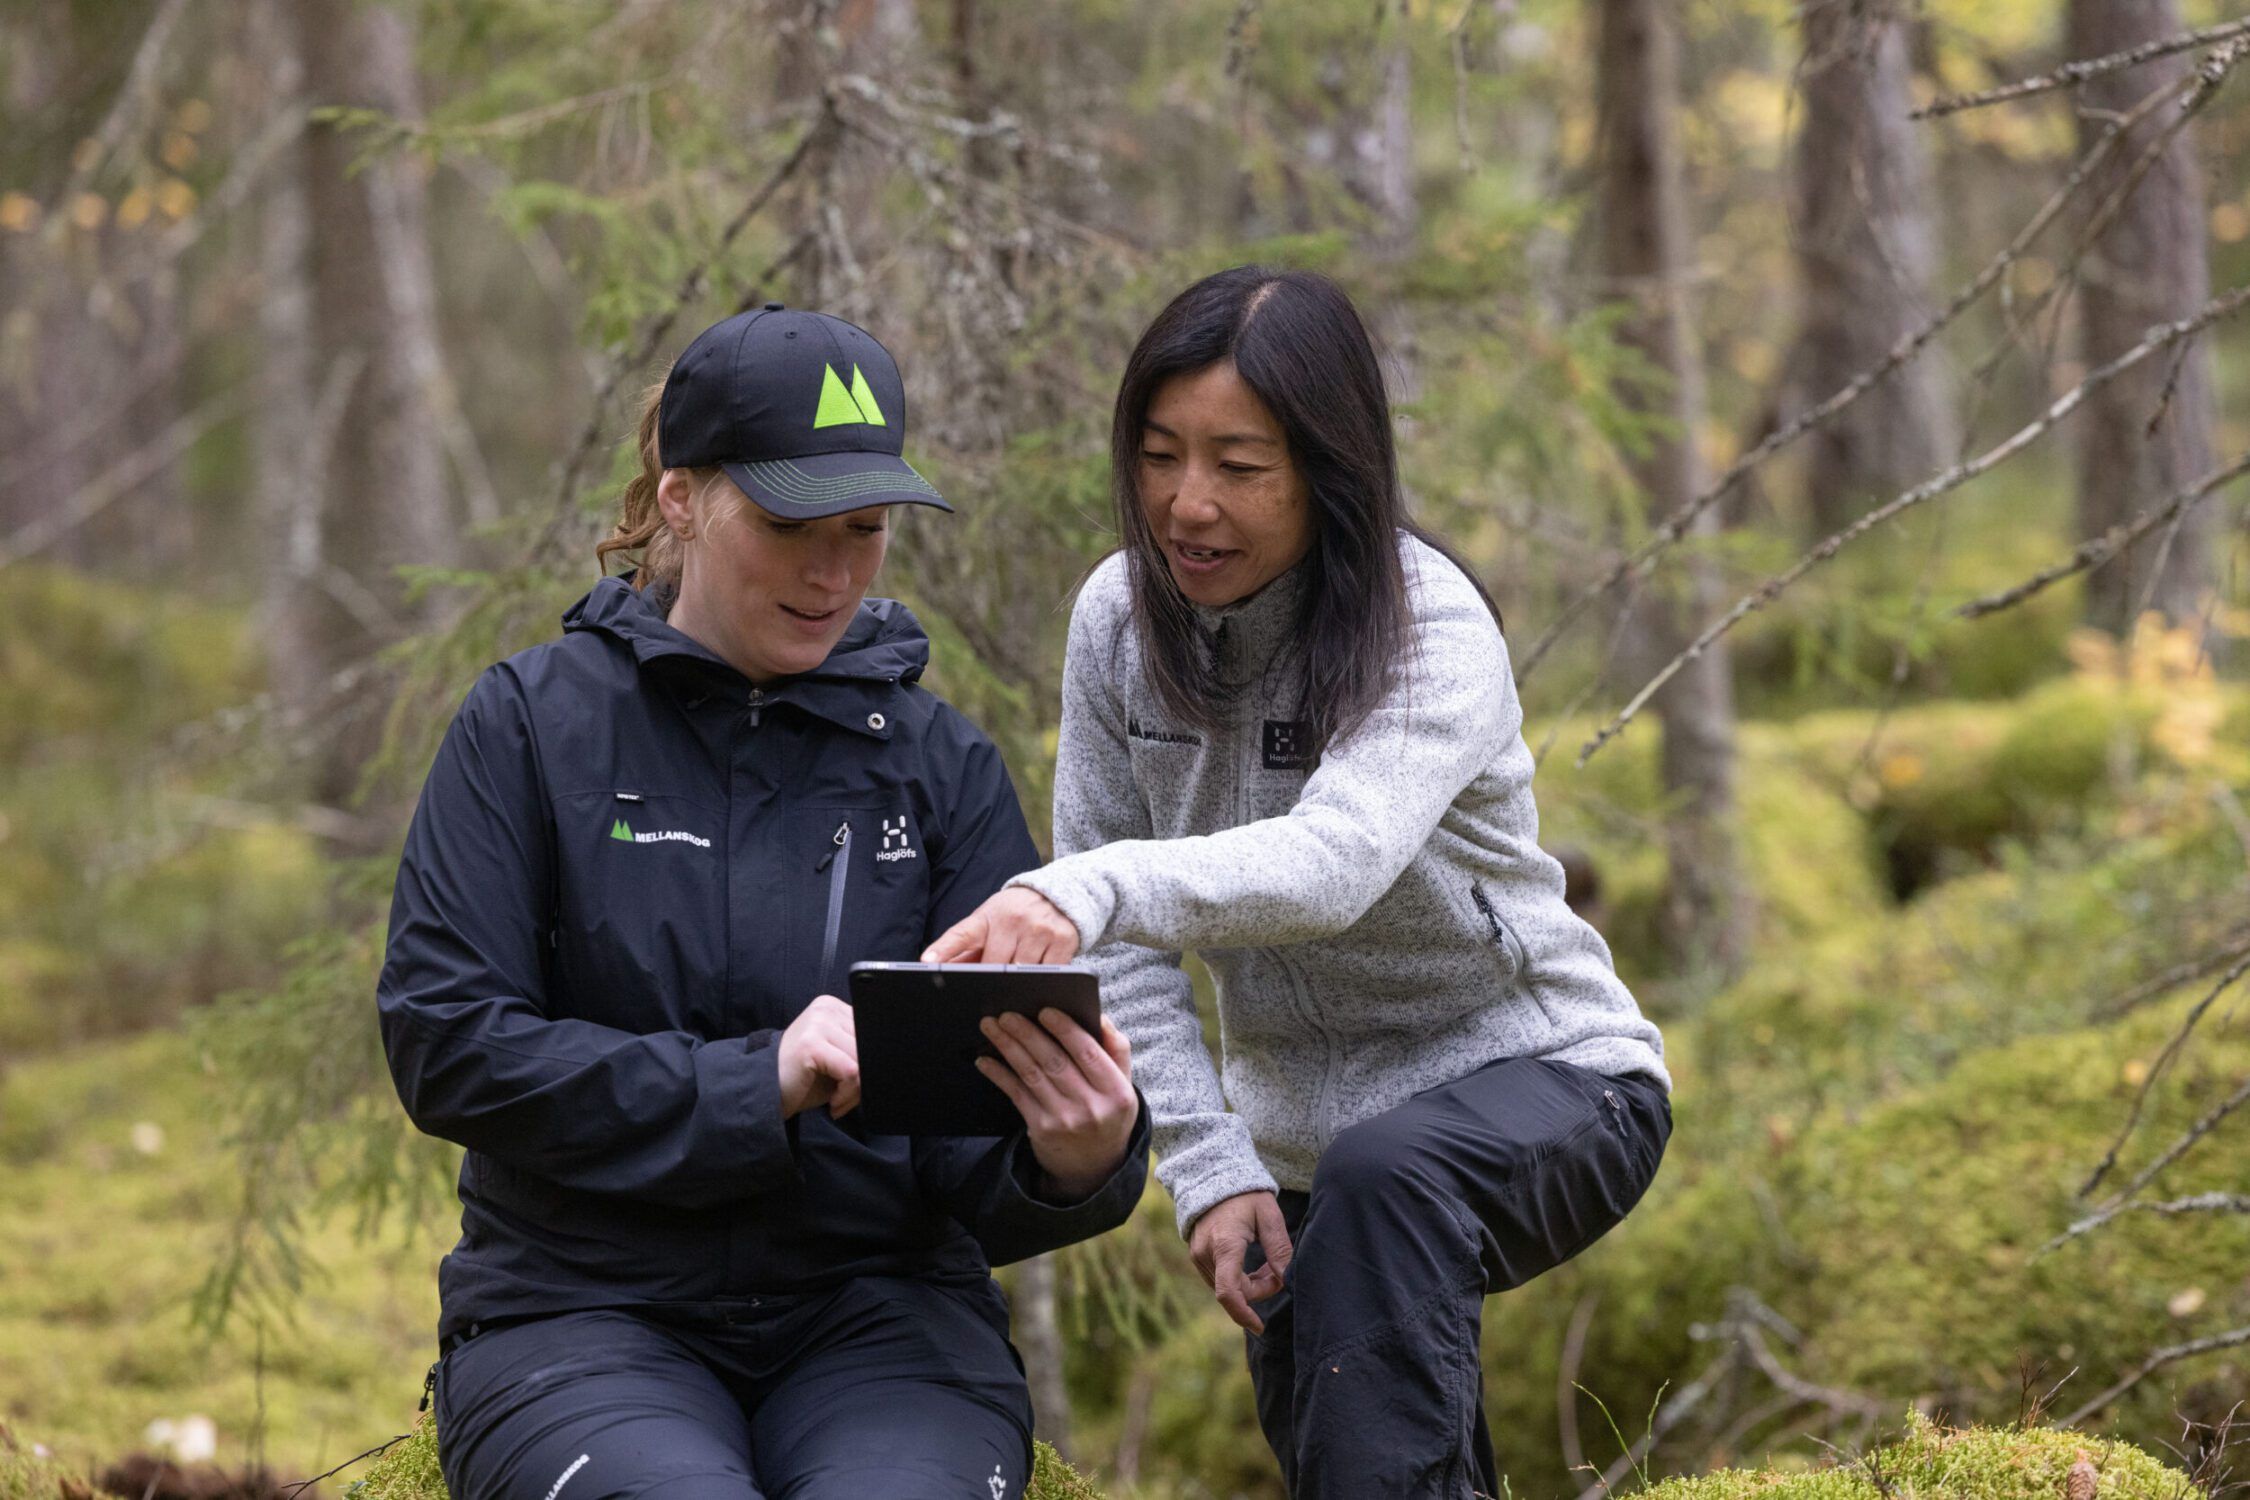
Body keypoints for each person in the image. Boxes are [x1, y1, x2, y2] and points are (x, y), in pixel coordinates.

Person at [377, 304, 1148, 1500]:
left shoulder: (937, 766)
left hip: (884, 1331)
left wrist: (1073, 1159)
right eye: (791, 522)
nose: (833, 569)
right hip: (578, 1315)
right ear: (680, 496)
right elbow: (448, 1045)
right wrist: (756, 1081)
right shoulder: (530, 727)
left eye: (866, 527)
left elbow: (967, 1149)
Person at [924, 267, 1672, 1499]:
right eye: (1161, 456)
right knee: (1349, 1436)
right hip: (1307, 1155)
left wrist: (1091, 884)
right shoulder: (1118, 622)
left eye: (1240, 465)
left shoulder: (1427, 623)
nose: (1189, 503)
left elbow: (1332, 867)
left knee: (1391, 1182)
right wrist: (1214, 1170)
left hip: (1550, 1079)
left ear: (1328, 468)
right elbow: (1124, 960)